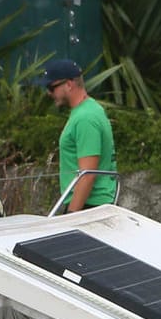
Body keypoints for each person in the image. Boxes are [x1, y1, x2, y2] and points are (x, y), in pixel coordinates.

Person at [39, 58, 115, 212]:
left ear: (68, 84)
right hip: (88, 205)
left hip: (89, 207)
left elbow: (87, 174)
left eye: (51, 87)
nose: (48, 93)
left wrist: (72, 215)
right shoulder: (88, 110)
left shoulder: (85, 118)